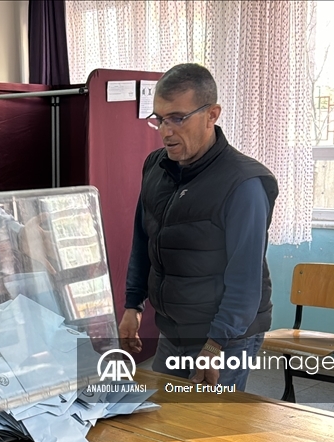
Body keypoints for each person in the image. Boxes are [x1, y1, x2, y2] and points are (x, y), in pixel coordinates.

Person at [118, 63, 278, 391]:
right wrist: (133, 305)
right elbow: (143, 240)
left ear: (211, 115)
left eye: (178, 118)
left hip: (226, 337)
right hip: (173, 330)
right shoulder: (156, 167)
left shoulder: (243, 184)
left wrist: (215, 345)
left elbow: (245, 279)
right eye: (159, 119)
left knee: (208, 420)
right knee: (161, 412)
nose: (166, 131)